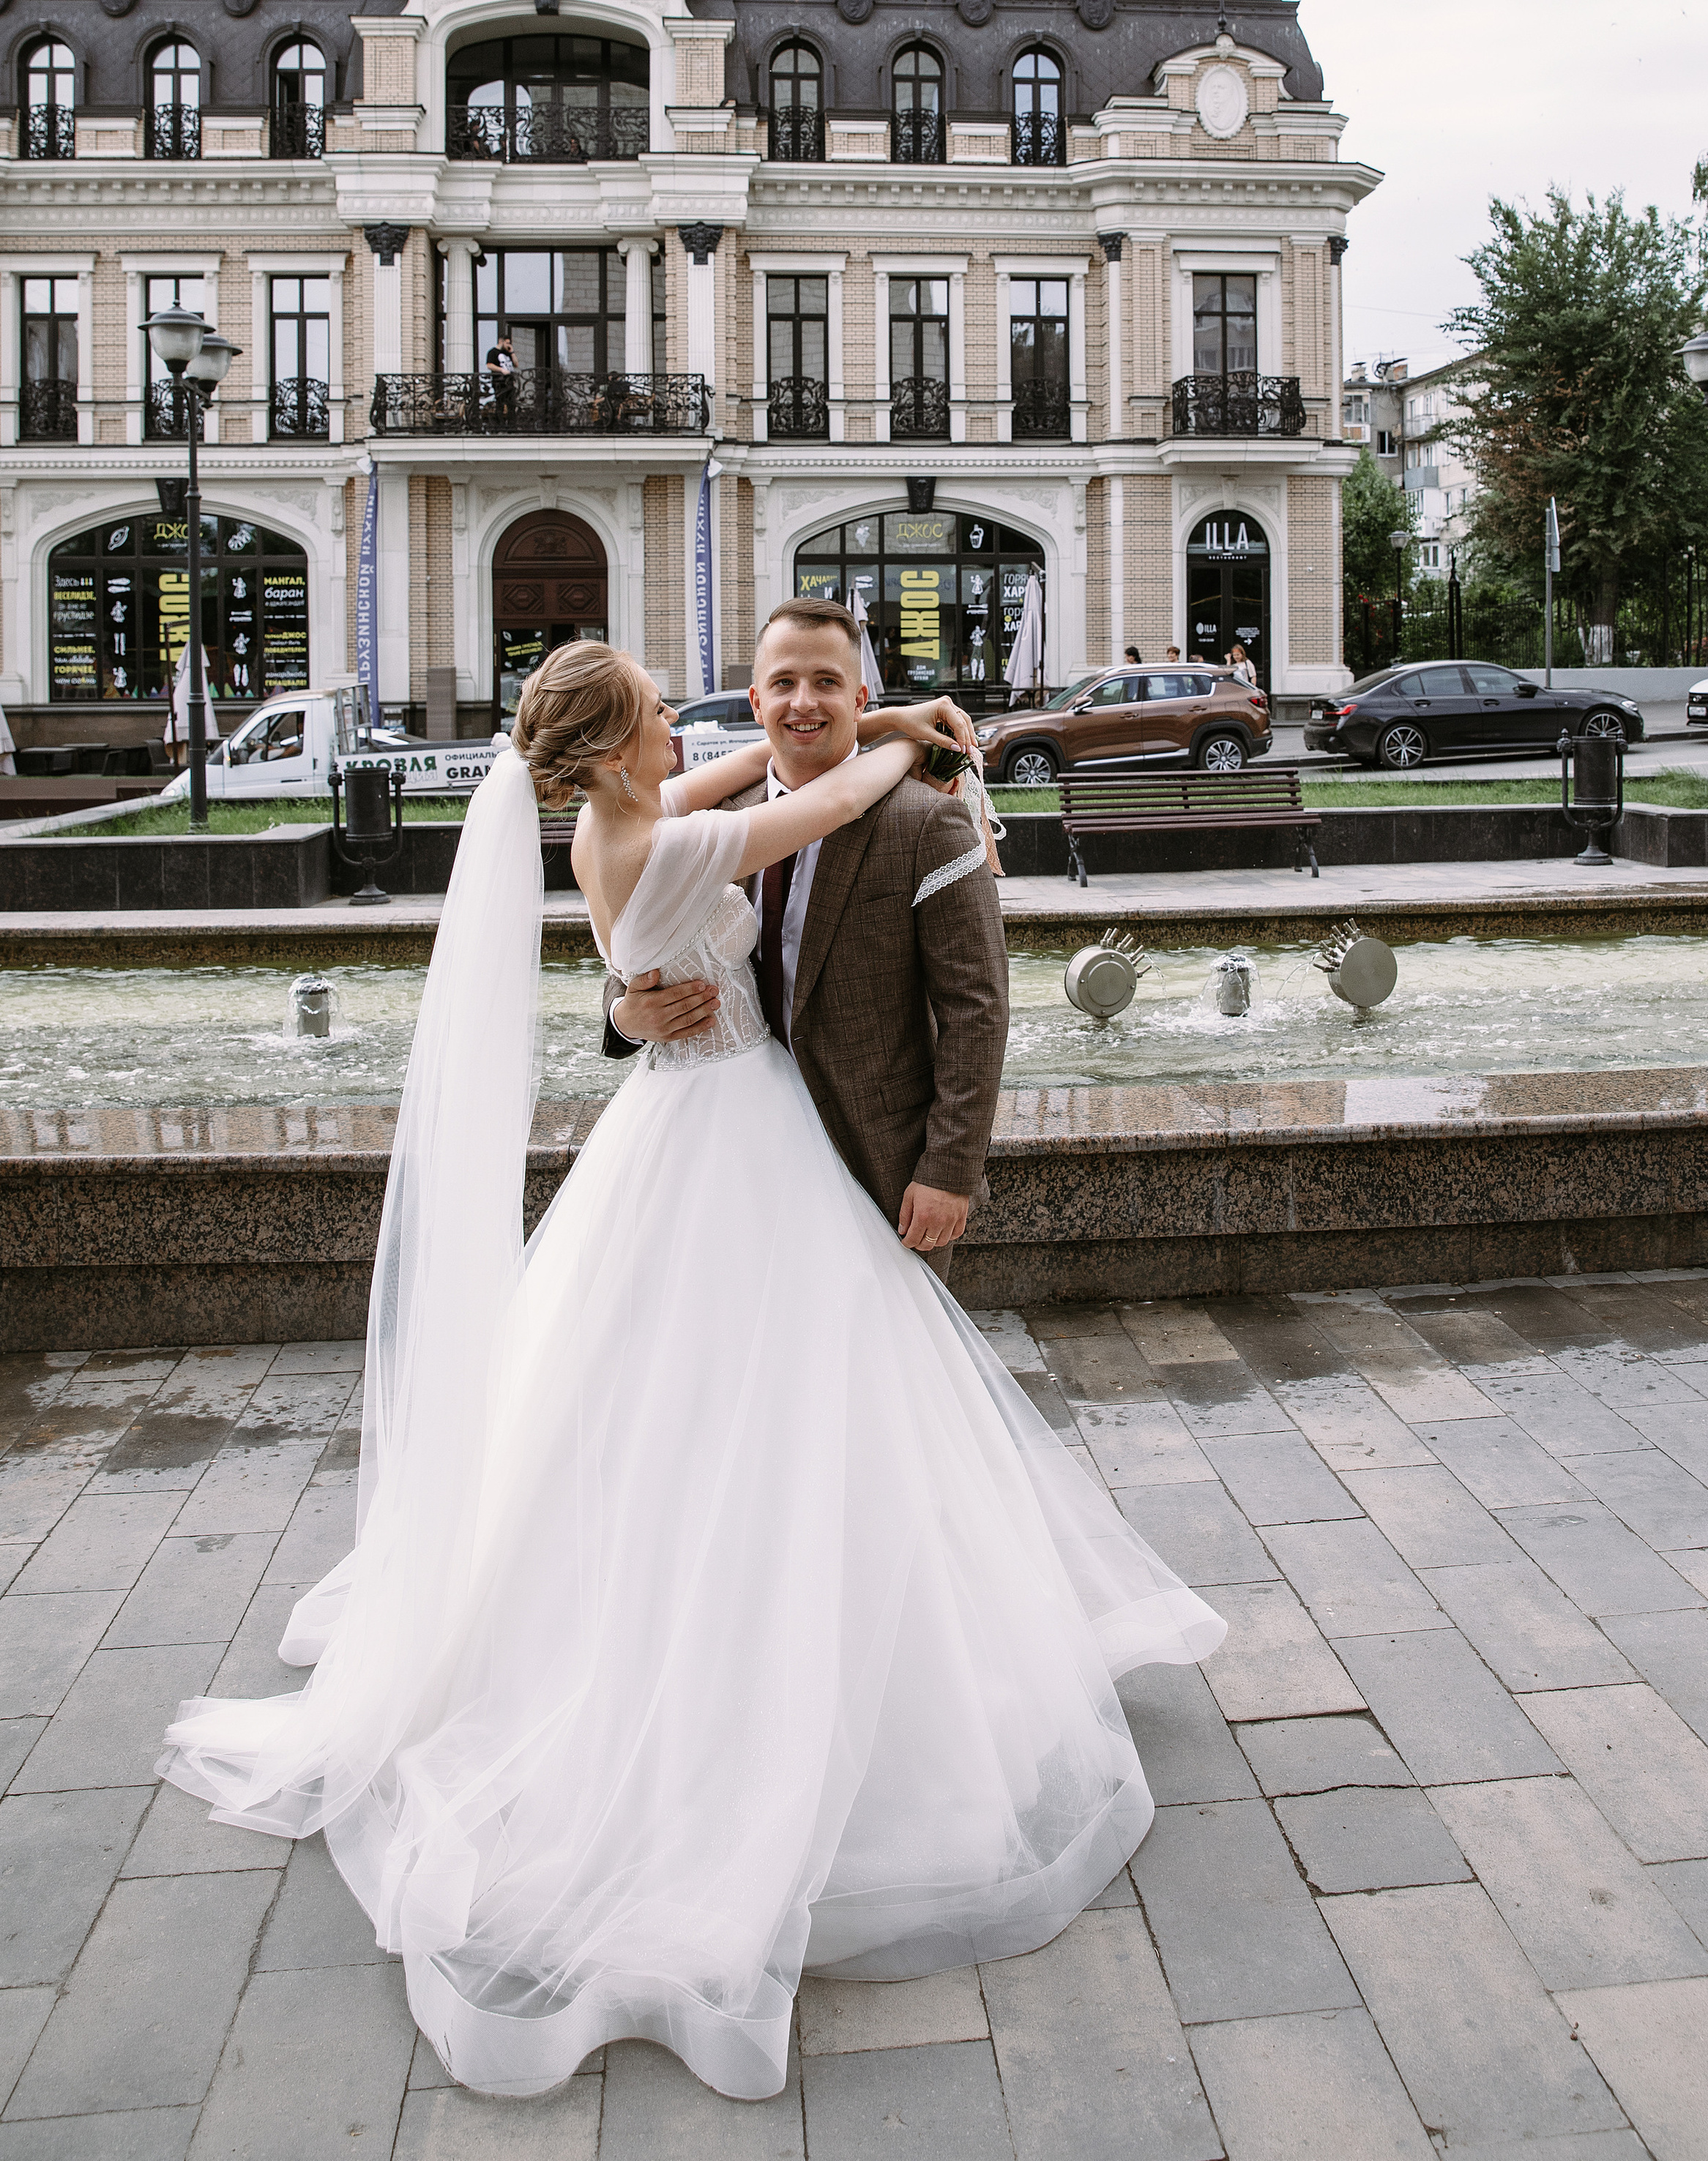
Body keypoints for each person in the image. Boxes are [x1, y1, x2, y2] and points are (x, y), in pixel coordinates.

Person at [156, 638, 1220, 2108]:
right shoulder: (680, 838)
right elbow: (815, 800)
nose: (693, 724)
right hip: (733, 1135)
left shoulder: (622, 823)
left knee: (661, 1406)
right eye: (664, 713)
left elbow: (757, 780)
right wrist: (902, 740)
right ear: (611, 752)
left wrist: (885, 716)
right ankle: (746, 1648)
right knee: (758, 1396)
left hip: (683, 1132)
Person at [604, 599, 1000, 1269]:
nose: (804, 702)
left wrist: (950, 1170)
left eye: (826, 682)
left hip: (875, 1159)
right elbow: (637, 943)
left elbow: (977, 1008)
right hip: (730, 1158)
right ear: (756, 701)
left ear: (860, 698)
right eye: (784, 683)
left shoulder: (927, 822)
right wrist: (624, 1015)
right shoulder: (715, 822)